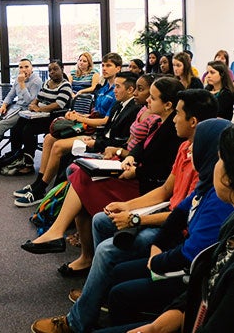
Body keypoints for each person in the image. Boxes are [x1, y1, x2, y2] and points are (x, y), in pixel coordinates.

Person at [29, 117, 228, 333]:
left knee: (107, 251)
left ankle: (78, 320)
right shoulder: (203, 176)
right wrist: (128, 208)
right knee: (98, 219)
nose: (175, 119)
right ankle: (94, 292)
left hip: (181, 252)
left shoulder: (217, 199)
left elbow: (190, 248)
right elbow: (177, 208)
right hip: (169, 226)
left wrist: (136, 220)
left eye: (179, 113)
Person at [20, 77, 185, 261]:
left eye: (153, 98)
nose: (147, 100)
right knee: (79, 173)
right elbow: (140, 148)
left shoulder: (174, 130)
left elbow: (163, 171)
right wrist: (130, 156)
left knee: (81, 178)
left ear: (168, 104)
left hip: (144, 185)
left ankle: (64, 238)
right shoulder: (158, 122)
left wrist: (133, 167)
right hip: (134, 173)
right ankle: (72, 245)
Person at [95, 124, 234, 333]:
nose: (189, 149)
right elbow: (178, 214)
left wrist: (156, 258)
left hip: (185, 273)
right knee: (116, 265)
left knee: (110, 258)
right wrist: (157, 247)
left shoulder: (220, 206)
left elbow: (195, 260)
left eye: (220, 158)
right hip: (190, 301)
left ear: (228, 176)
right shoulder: (216, 200)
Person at [13, 53, 122, 206]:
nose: (104, 68)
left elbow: (105, 121)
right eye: (103, 65)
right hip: (88, 125)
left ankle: (41, 189)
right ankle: (38, 182)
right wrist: (78, 114)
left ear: (118, 68)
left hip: (97, 132)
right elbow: (95, 113)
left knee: (57, 145)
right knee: (49, 138)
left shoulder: (117, 91)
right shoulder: (104, 88)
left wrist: (80, 119)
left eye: (108, 65)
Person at [9, 59, 73, 174]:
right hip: (40, 115)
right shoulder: (46, 83)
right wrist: (33, 105)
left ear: (62, 69)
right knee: (16, 127)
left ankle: (28, 164)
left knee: (28, 130)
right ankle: (16, 157)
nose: (52, 72)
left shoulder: (66, 85)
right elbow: (37, 98)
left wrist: (39, 109)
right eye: (50, 70)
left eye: (55, 69)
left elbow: (58, 104)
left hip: (54, 117)